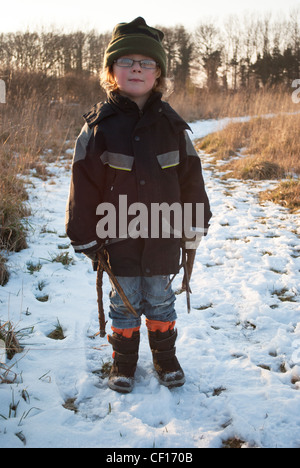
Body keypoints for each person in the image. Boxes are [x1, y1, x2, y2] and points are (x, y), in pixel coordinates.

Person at [66, 17, 212, 393]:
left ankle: (165, 358)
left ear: (158, 72)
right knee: (125, 300)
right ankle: (123, 363)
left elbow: (191, 180)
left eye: (146, 63)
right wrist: (84, 235)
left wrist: (195, 222)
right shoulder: (97, 128)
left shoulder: (174, 127)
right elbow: (82, 185)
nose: (136, 68)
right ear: (111, 71)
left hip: (163, 235)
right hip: (117, 239)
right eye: (126, 61)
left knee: (161, 299)